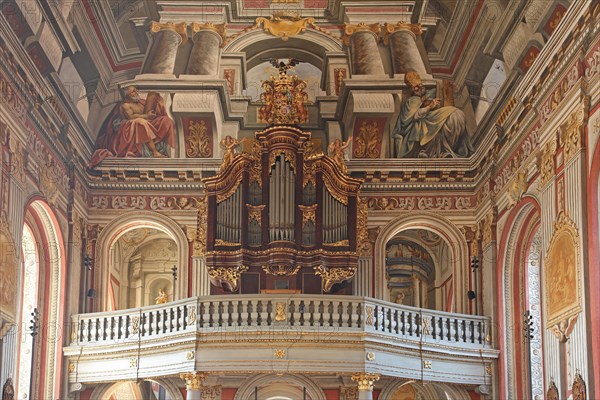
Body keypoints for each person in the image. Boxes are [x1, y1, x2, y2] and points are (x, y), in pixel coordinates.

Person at [89, 86, 176, 168]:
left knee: (166, 121)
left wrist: (156, 102)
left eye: (135, 90)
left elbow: (152, 112)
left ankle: (165, 149)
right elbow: (131, 117)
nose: (136, 92)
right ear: (127, 95)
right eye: (133, 92)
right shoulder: (126, 105)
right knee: (141, 123)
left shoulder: (142, 102)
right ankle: (154, 152)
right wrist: (146, 116)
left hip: (148, 121)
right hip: (129, 126)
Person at [393, 71, 473, 158]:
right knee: (448, 117)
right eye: (416, 87)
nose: (419, 88)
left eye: (420, 85)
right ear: (412, 89)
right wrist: (430, 107)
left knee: (452, 114)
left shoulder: (419, 100)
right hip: (414, 133)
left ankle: (442, 151)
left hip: (424, 124)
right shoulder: (412, 100)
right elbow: (414, 116)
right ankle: (433, 151)